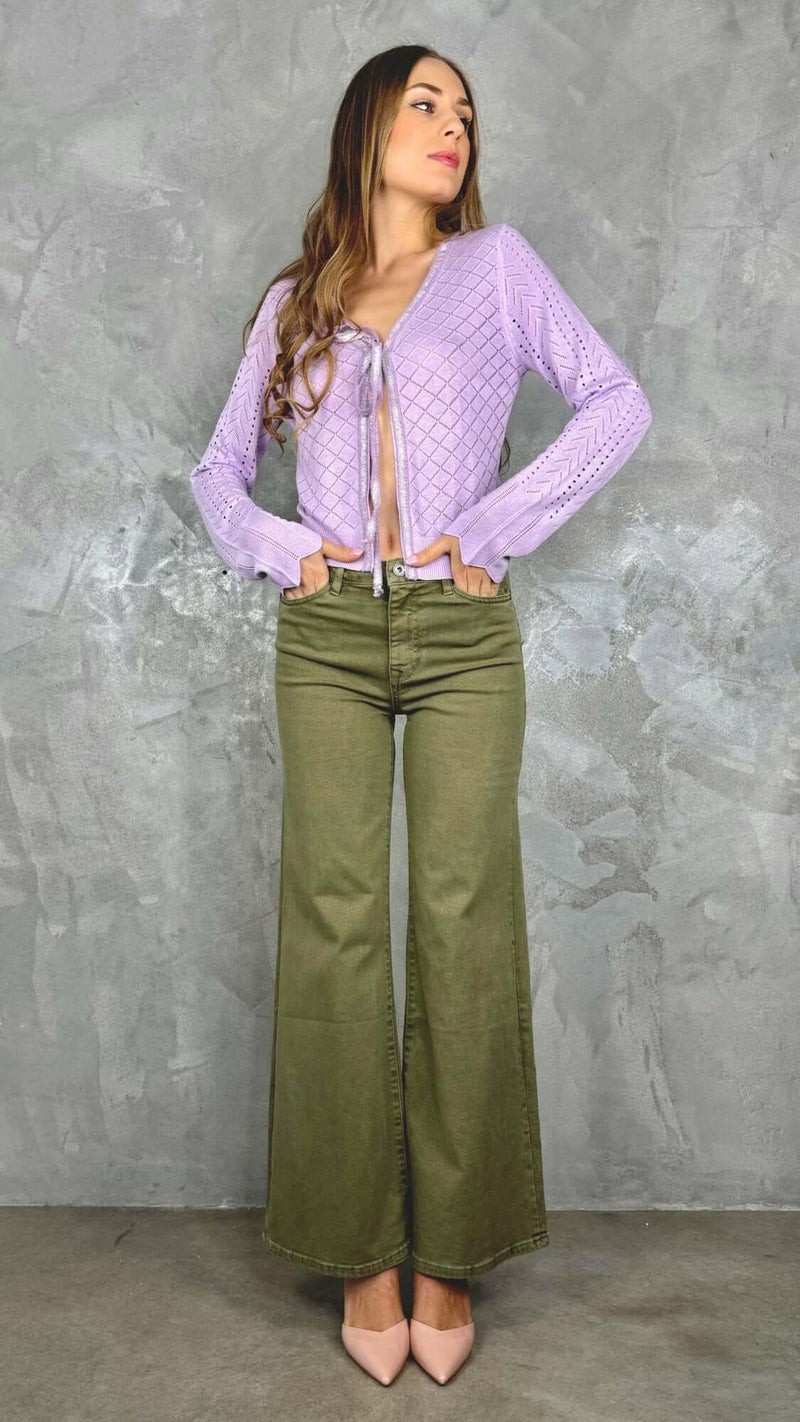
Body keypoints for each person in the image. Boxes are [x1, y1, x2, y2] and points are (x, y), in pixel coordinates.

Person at [188, 44, 652, 1388]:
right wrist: (286, 549)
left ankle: (451, 1254)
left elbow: (617, 403)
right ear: (369, 128)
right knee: (334, 927)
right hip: (329, 635)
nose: (454, 127)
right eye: (426, 103)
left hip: (460, 634)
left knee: (463, 918)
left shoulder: (497, 271)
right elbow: (218, 474)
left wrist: (495, 529)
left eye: (467, 113)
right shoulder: (297, 301)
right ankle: (360, 1253)